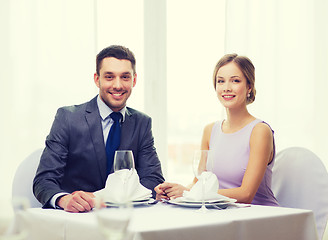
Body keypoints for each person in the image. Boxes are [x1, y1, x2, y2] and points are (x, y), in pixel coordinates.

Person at [33, 45, 165, 212]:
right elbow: (44, 180)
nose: (117, 85)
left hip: (125, 217)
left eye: (125, 77)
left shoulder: (142, 123)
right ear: (97, 79)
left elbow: (153, 179)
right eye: (109, 77)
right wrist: (64, 200)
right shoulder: (68, 118)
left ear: (134, 80)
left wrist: (114, 200)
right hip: (77, 219)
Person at [155, 54, 279, 206]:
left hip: (261, 216)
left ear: (249, 87)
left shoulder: (260, 131)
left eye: (235, 81)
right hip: (222, 213)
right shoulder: (210, 130)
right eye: (221, 81)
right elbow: (199, 182)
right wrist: (174, 192)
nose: (226, 87)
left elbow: (246, 194)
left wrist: (188, 194)